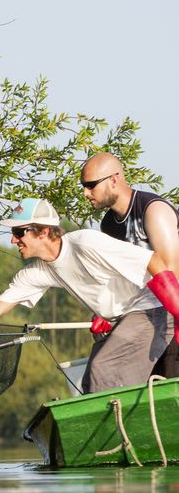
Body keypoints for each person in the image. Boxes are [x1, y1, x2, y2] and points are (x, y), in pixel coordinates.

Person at [0, 198, 179, 393]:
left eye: (19, 232)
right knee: (89, 383)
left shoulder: (86, 242)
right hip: (121, 318)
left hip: (152, 309)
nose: (13, 240)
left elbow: (154, 262)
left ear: (43, 231)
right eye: (13, 233)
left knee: (104, 369)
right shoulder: (35, 273)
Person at [80, 152, 179, 373]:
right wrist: (105, 311)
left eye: (91, 185)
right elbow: (120, 279)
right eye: (84, 186)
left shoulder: (153, 210)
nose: (85, 193)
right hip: (144, 315)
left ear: (113, 180)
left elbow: (173, 272)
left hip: (172, 316)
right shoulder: (109, 225)